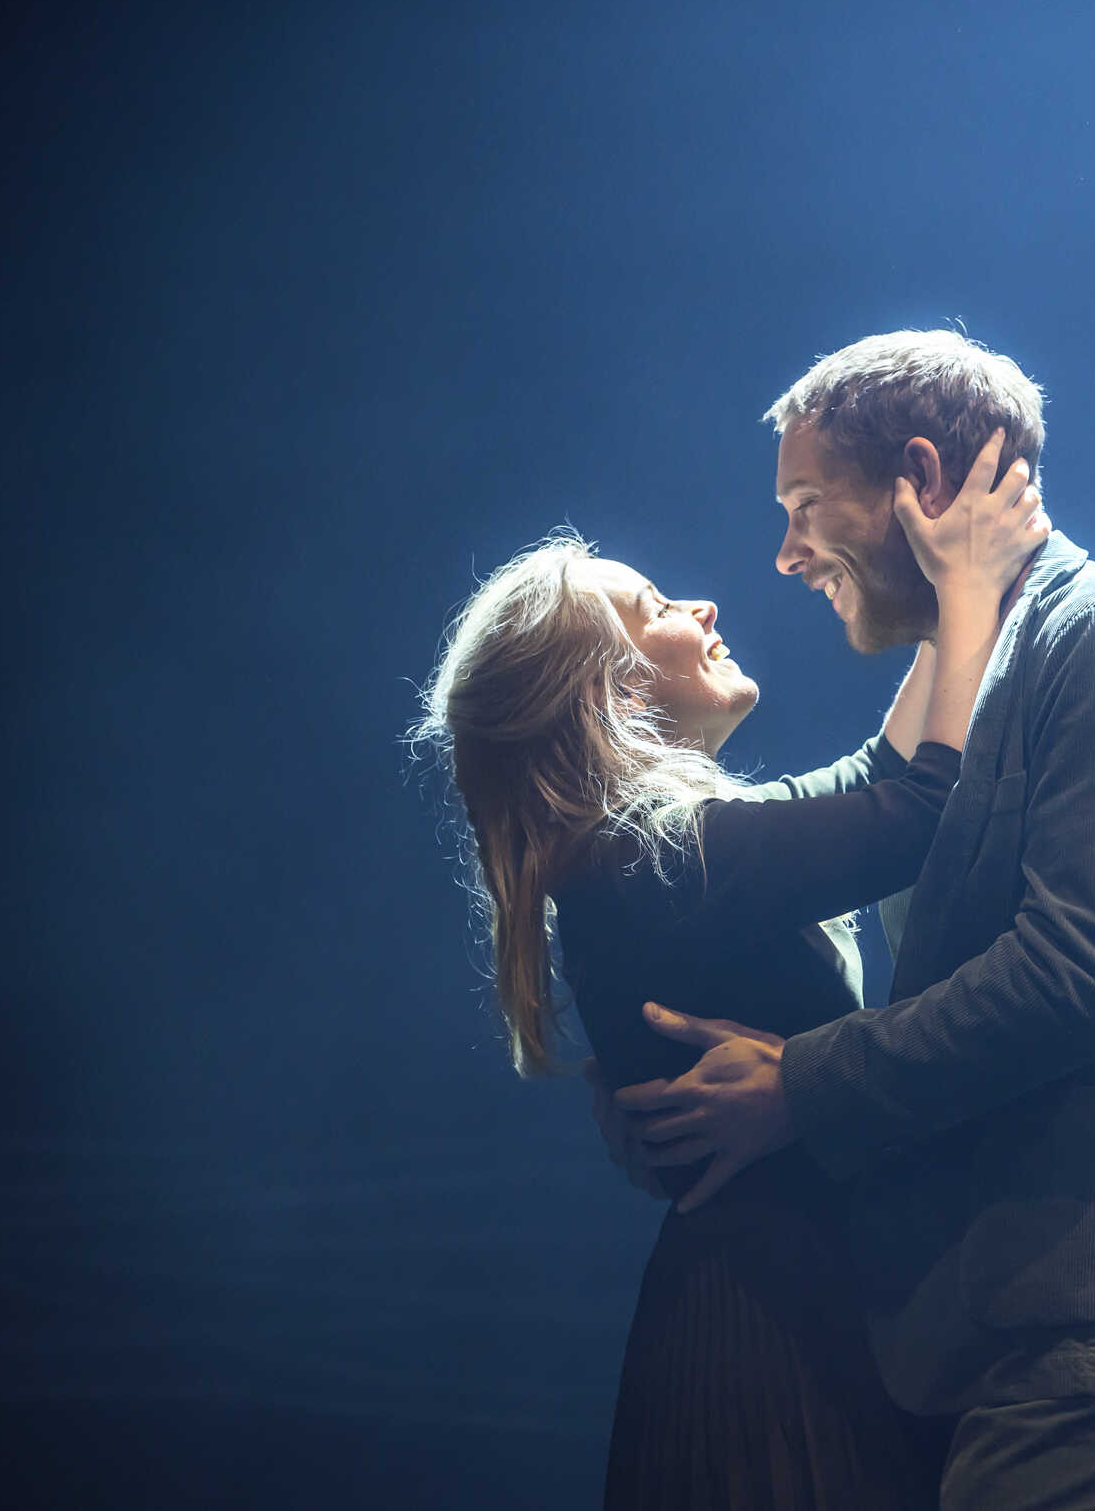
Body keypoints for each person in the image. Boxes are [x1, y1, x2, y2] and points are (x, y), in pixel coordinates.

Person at [612, 331, 1095, 1511]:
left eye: (803, 506)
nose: (784, 555)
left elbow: (1080, 974)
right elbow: (837, 811)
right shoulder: (986, 666)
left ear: (922, 482)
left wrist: (801, 1085)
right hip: (1004, 1324)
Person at [415, 431, 1050, 1509]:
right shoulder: (651, 859)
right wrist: (970, 586)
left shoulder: (640, 860)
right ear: (606, 695)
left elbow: (877, 783)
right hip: (776, 1345)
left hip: (766, 1318)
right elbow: (921, 811)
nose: (700, 606)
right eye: (652, 605)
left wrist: (949, 603)